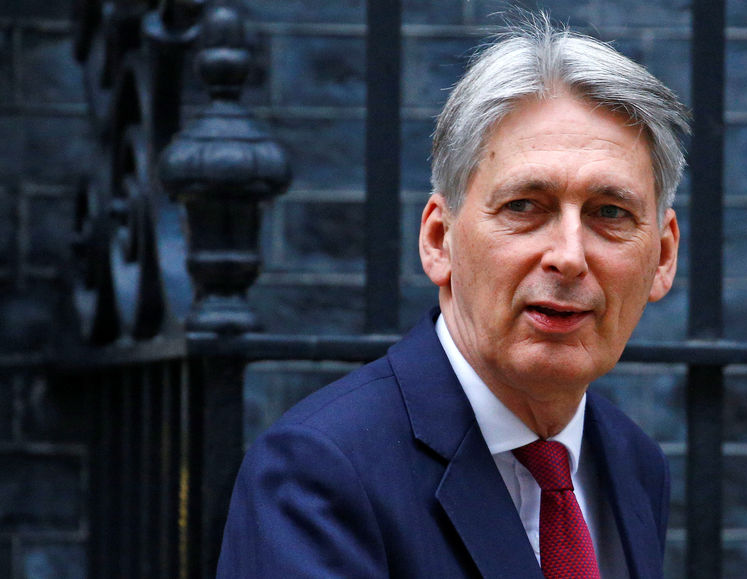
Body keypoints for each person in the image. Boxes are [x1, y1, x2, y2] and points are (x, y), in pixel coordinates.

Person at [217, 12, 689, 579]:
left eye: (609, 213)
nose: (569, 254)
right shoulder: (321, 472)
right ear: (439, 240)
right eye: (524, 207)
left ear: (662, 257)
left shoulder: (633, 463)